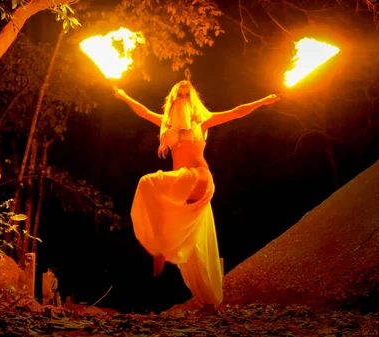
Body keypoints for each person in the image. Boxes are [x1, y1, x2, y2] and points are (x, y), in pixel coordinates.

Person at [114, 80, 279, 314]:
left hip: (199, 179)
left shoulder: (202, 123)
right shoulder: (166, 125)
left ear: (192, 100)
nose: (182, 98)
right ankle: (208, 303)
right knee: (193, 248)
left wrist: (263, 101)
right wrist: (123, 96)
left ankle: (158, 248)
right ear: (173, 100)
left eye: (186, 95)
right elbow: (144, 111)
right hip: (182, 186)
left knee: (147, 182)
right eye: (179, 95)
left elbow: (237, 112)